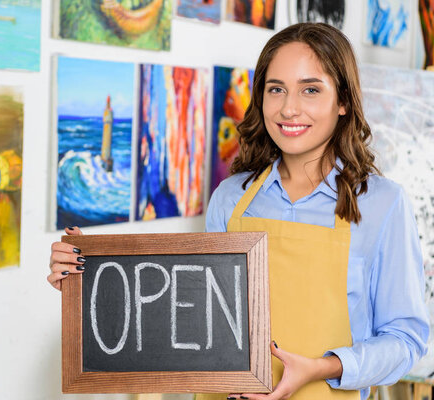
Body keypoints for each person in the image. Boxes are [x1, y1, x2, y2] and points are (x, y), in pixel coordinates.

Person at [48, 23, 429, 400]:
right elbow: (195, 317)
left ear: (342, 101)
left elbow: (406, 341)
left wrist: (324, 366)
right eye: (275, 89)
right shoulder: (231, 198)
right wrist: (92, 276)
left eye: (310, 90)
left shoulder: (381, 204)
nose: (289, 108)